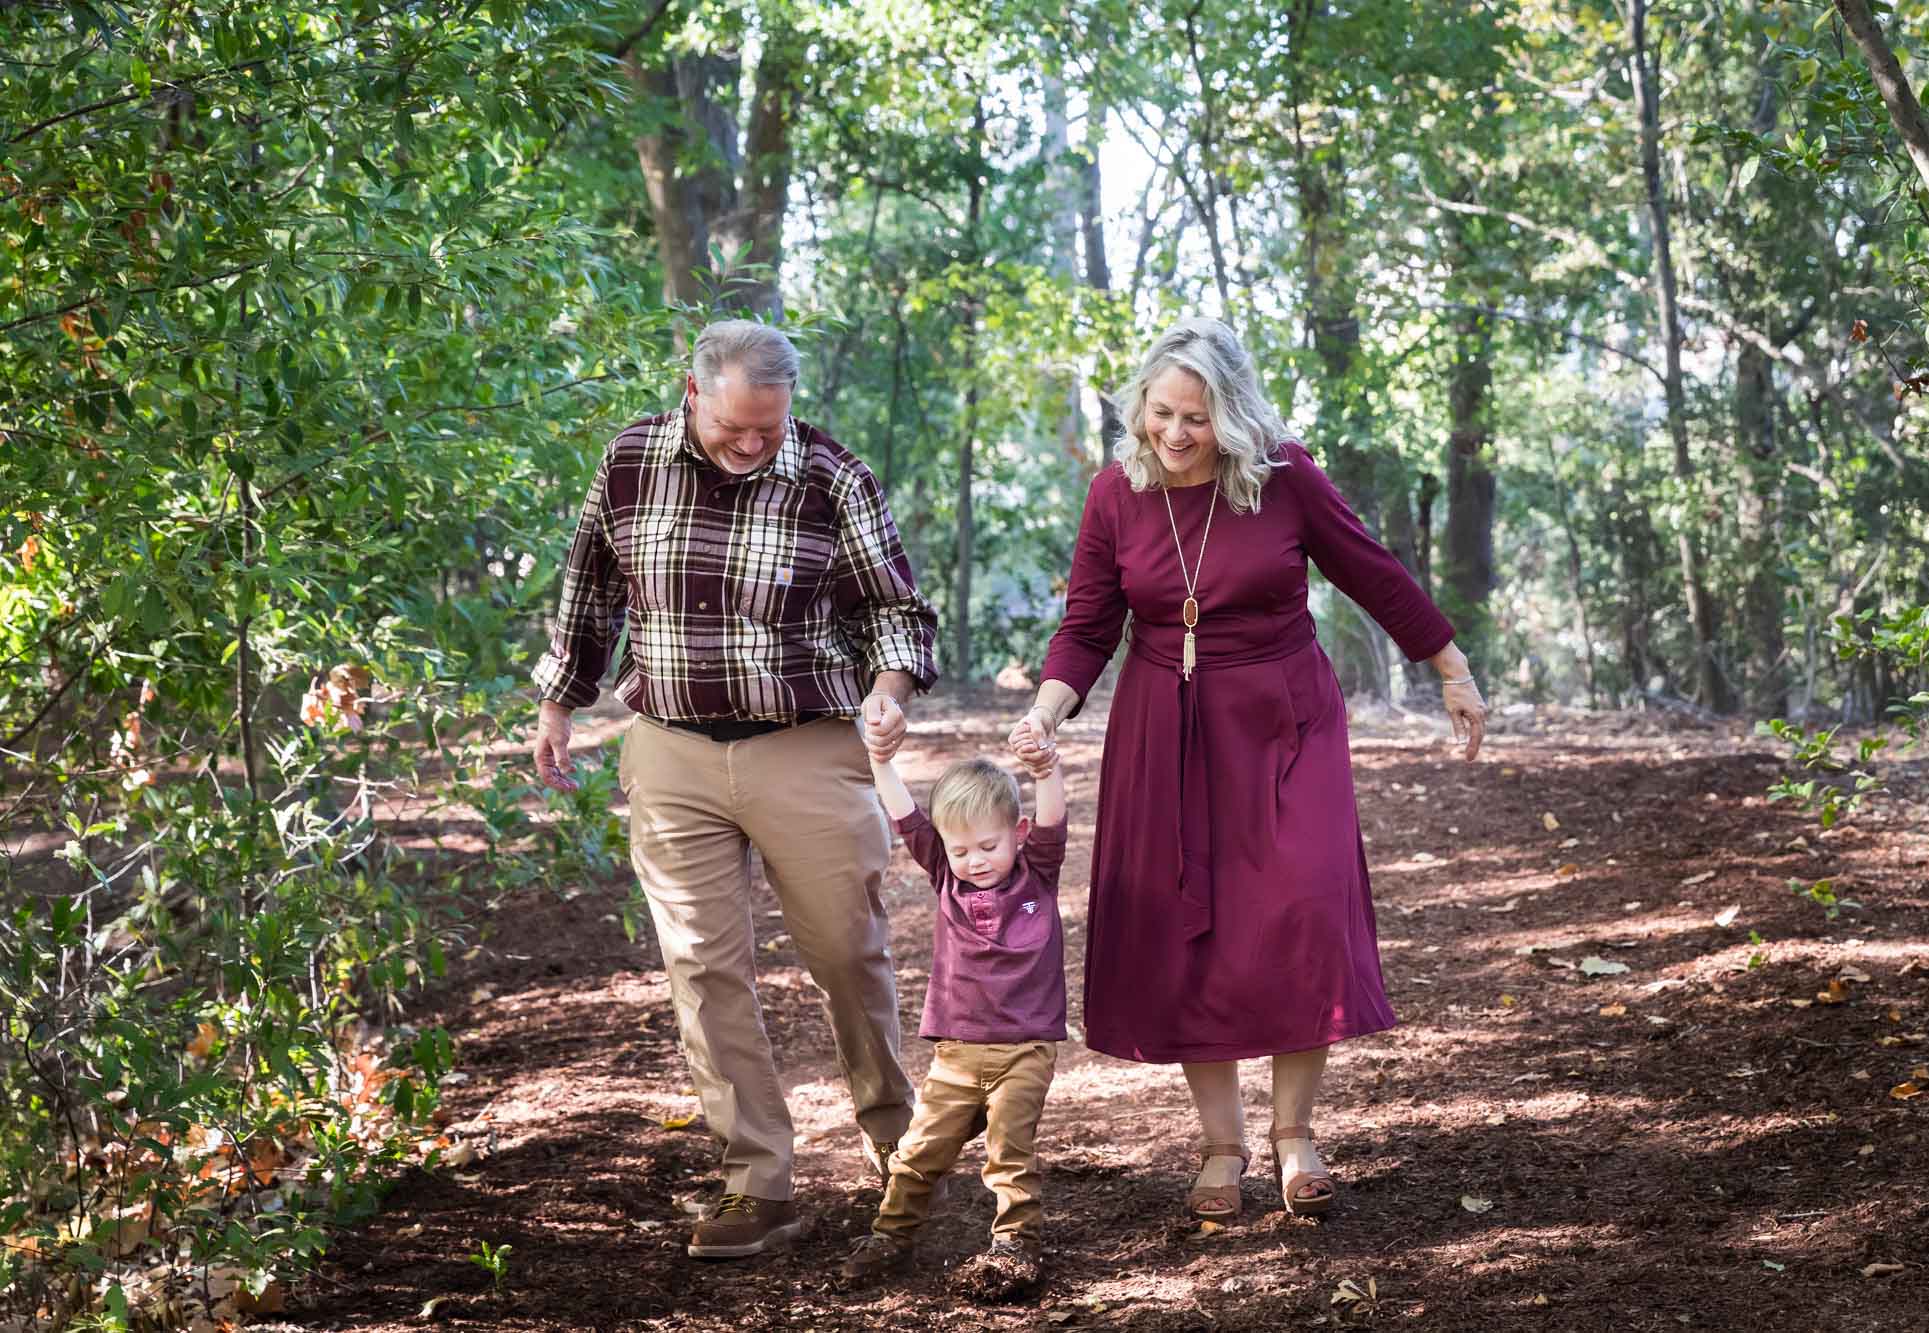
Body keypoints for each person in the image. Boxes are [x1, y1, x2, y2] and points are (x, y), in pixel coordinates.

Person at [1008, 317, 1486, 1222]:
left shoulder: (1282, 475)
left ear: (1231, 414)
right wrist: (1045, 710)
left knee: (1303, 910)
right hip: (1163, 726)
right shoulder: (1116, 493)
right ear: (1139, 407)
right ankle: (1221, 1145)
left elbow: (1372, 571)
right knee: (1195, 926)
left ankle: (1294, 1134)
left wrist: (1450, 667)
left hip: (1283, 719)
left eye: (1197, 417)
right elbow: (1086, 624)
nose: (1178, 435)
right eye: (1162, 414)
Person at [531, 320, 939, 1259]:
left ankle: (898, 1145)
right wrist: (559, 701)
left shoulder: (833, 478)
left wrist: (887, 689)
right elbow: (588, 587)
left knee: (846, 952)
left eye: (769, 427)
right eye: (732, 428)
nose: (752, 445)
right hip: (671, 750)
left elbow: (895, 610)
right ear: (693, 392)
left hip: (807, 743)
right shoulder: (632, 459)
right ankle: (756, 1179)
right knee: (703, 969)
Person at [840, 723, 1067, 1301]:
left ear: (1016, 836)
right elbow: (907, 817)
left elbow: (1052, 820)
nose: (975, 860)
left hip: (1025, 1049)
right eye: (960, 849)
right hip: (957, 1054)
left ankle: (1015, 1244)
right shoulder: (946, 876)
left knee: (1009, 1155)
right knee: (918, 1154)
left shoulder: (1036, 871)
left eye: (989, 846)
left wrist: (1044, 772)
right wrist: (881, 761)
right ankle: (891, 1236)